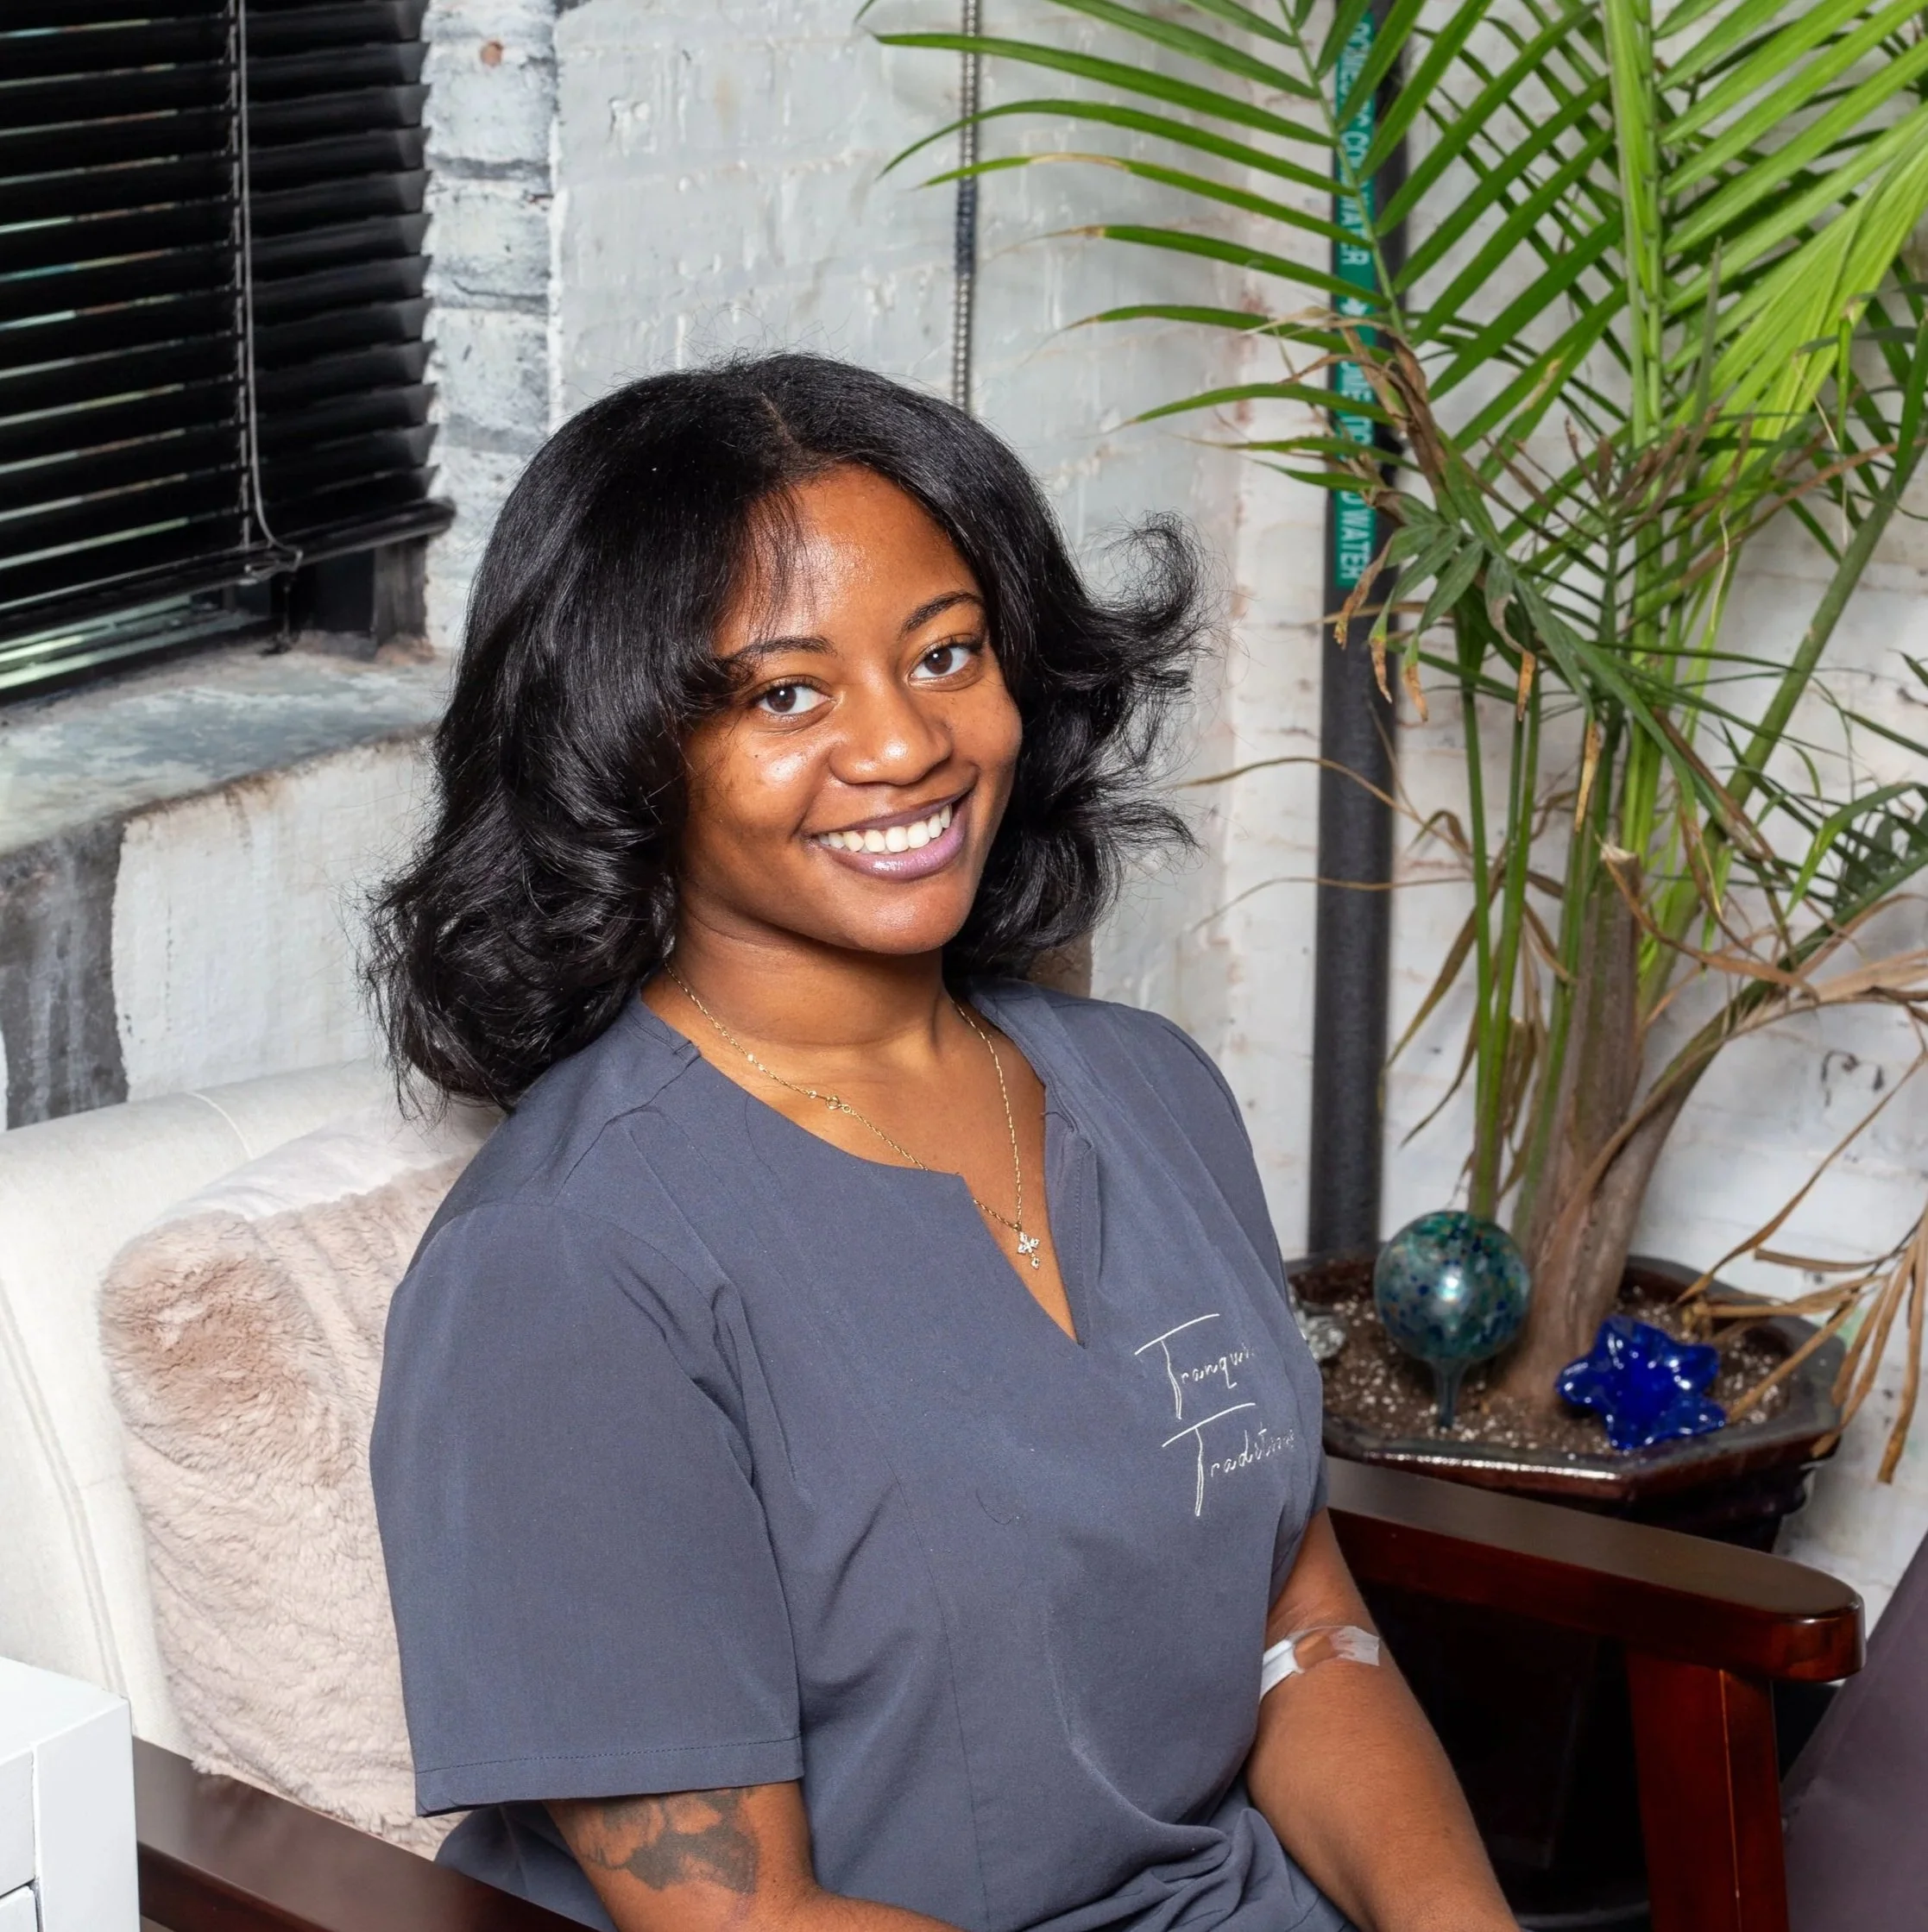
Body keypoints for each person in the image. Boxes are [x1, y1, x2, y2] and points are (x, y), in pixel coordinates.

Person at [368, 353, 1515, 1932]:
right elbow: (746, 1921)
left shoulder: (1152, 1091)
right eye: (785, 691)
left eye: (946, 652)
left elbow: (1299, 1633)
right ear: (629, 747)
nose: (906, 745)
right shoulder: (564, 1266)